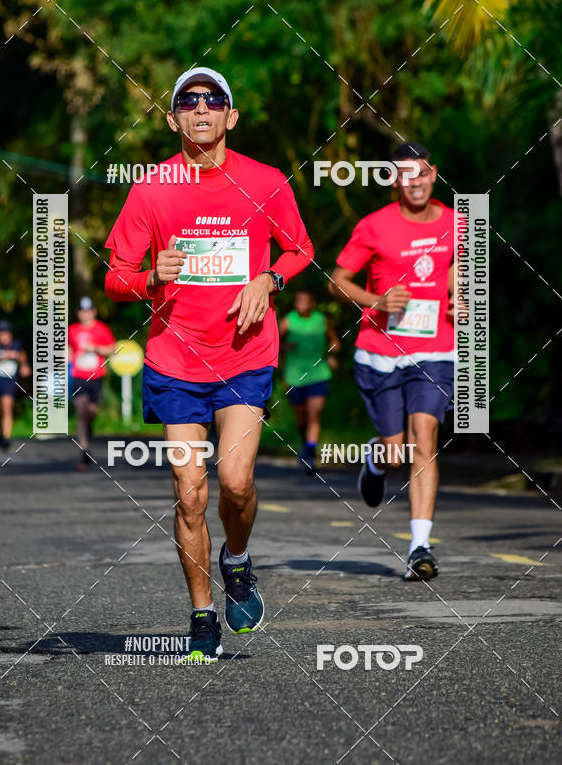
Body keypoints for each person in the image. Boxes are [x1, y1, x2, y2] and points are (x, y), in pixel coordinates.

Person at [104, 66, 313, 662]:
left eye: (213, 99)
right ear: (173, 119)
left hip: (245, 355)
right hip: (174, 361)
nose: (201, 109)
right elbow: (115, 277)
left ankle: (238, 560)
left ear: (231, 116)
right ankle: (201, 613)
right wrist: (149, 278)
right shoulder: (151, 190)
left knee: (236, 481)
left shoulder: (267, 182)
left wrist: (268, 279)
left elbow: (301, 249)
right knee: (189, 493)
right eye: (188, 102)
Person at [330, 142, 461, 582]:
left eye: (422, 173)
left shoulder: (457, 222)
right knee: (395, 448)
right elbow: (338, 281)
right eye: (406, 175)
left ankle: (420, 546)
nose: (416, 181)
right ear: (394, 181)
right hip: (381, 352)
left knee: (424, 436)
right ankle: (375, 459)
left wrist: (460, 297)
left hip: (435, 349)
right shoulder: (373, 227)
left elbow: (456, 268)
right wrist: (378, 300)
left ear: (433, 174)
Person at [279, 290, 340, 473]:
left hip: (318, 373)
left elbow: (335, 341)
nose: (301, 303)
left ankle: (311, 452)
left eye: (305, 300)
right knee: (301, 416)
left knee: (314, 413)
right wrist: (286, 347)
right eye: (298, 299)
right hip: (294, 376)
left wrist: (333, 354)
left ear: (312, 303)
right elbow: (273, 343)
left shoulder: (321, 320)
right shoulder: (288, 321)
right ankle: (306, 443)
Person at [68, 297, 116, 470]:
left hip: (96, 376)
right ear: (78, 312)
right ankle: (84, 450)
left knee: (92, 411)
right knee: (81, 408)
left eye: (88, 311)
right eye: (82, 311)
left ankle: (88, 427)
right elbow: (68, 350)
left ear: (93, 312)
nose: (85, 314)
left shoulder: (101, 329)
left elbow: (113, 349)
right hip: (79, 376)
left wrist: (95, 348)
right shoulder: (72, 330)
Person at [0, 320, 31, 450]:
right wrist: (2, 358)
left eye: (7, 333)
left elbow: (22, 356)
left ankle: (5, 438)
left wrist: (24, 366)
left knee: (7, 407)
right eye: (2, 333)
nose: (5, 336)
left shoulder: (16, 345)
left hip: (9, 382)